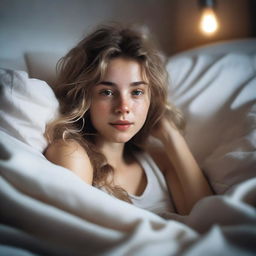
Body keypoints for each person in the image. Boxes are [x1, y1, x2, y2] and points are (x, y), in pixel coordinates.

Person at [44, 23, 212, 216]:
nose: (123, 107)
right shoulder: (71, 153)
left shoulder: (160, 161)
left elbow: (209, 219)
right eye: (107, 92)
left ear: (152, 98)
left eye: (137, 92)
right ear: (84, 97)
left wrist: (172, 136)